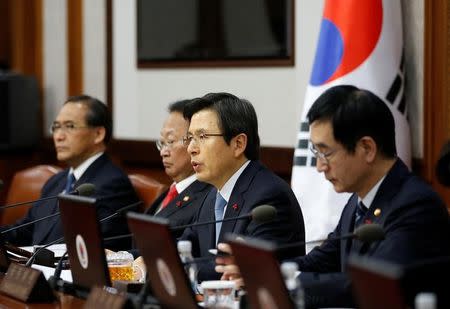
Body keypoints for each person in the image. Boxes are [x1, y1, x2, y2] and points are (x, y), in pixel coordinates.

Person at [216, 85, 450, 308]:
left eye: (326, 153)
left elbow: (369, 288)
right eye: (315, 152)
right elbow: (323, 259)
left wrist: (279, 282)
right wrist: (264, 272)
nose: (319, 166)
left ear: (367, 149)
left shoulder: (416, 205)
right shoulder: (359, 200)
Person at [180, 92, 305, 281]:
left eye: (202, 136)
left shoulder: (269, 198)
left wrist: (172, 266)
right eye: (189, 138)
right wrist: (135, 258)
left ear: (238, 144)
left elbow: (238, 270)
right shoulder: (213, 194)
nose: (191, 148)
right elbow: (183, 247)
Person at [1, 95, 139, 251]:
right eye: (56, 127)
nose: (59, 136)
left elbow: (100, 249)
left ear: (98, 134)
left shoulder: (113, 184)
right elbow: (25, 230)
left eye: (70, 126)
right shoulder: (56, 181)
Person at [145, 99, 212, 237]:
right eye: (162, 143)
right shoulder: (171, 191)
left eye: (170, 141)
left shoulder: (208, 196)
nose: (163, 152)